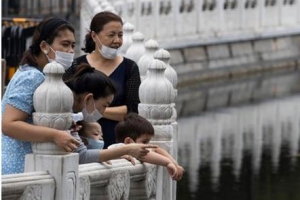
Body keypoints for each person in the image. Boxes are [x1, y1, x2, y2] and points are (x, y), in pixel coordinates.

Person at [1, 18, 154, 175]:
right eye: (65, 44)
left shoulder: (43, 75)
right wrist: (55, 135)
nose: (70, 51)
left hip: (33, 165)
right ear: (45, 47)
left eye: (73, 46)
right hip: (16, 167)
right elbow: (8, 125)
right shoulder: (32, 77)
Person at [63, 11, 141, 148]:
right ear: (94, 36)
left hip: (117, 142)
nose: (117, 40)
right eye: (111, 35)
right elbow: (64, 102)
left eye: (120, 35)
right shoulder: (76, 66)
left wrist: (91, 112)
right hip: (81, 141)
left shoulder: (130, 68)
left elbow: (132, 111)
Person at [109, 113, 185, 181]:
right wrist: (167, 163)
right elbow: (145, 155)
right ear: (128, 142)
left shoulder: (131, 147)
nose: (147, 146)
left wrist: (174, 163)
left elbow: (156, 148)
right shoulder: (120, 147)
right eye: (145, 142)